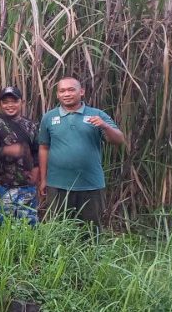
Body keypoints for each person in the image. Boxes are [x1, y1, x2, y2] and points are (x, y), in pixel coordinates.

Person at [38, 76, 125, 229]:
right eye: (62, 91)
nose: (67, 94)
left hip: (90, 184)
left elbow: (119, 140)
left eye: (71, 90)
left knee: (91, 231)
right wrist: (43, 179)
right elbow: (44, 148)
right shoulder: (49, 117)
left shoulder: (96, 114)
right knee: (58, 230)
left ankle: (92, 253)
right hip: (58, 185)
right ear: (57, 95)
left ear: (81, 92)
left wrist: (105, 126)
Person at [0, 85, 40, 225]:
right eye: (6, 102)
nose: (10, 105)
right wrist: (4, 151)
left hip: (26, 187)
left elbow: (36, 152)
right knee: (0, 225)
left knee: (28, 227)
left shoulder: (32, 125)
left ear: (22, 102)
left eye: (14, 101)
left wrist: (36, 172)